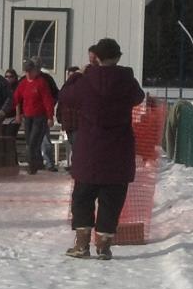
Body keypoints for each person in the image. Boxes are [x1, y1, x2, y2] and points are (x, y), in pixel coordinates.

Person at [59, 38, 145, 260]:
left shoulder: (85, 81)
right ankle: (104, 247)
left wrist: (75, 77)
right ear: (117, 57)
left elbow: (66, 97)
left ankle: (81, 245)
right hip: (118, 152)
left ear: (95, 56)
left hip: (89, 152)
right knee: (112, 200)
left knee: (82, 198)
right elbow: (139, 97)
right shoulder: (128, 81)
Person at [13, 58, 55, 174]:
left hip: (39, 117)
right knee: (29, 142)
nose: (28, 74)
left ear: (34, 71)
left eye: (30, 71)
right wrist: (18, 114)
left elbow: (48, 100)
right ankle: (38, 163)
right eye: (26, 71)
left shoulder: (41, 82)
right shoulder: (23, 83)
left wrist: (50, 117)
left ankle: (32, 166)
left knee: (33, 141)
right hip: (28, 117)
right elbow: (16, 98)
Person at [30, 57, 60, 171]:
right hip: (29, 114)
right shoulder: (26, 79)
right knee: (32, 140)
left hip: (43, 114)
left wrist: (50, 107)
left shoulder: (46, 79)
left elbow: (56, 93)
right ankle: (35, 162)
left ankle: (49, 163)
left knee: (45, 139)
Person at [1, 68, 21, 138]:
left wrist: (18, 115)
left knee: (10, 136)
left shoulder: (18, 87)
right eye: (6, 76)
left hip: (14, 117)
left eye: (11, 76)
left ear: (15, 77)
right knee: (2, 137)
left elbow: (17, 102)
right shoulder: (3, 87)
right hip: (3, 116)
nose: (8, 78)